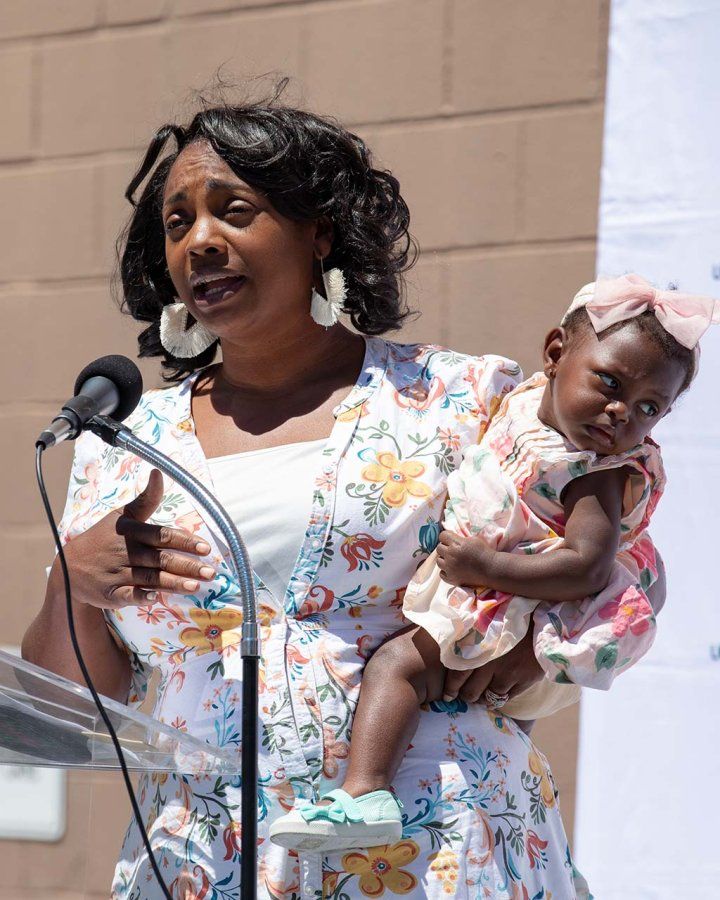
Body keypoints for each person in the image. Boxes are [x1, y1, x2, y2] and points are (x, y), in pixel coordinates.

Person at [21, 99, 664, 899]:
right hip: (200, 860)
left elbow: (629, 570)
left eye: (235, 210)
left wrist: (520, 657)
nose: (200, 241)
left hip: (434, 845)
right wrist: (72, 585)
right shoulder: (121, 443)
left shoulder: (461, 399)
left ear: (319, 230)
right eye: (178, 222)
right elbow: (66, 715)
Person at [271, 274, 715, 853]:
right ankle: (537, 836)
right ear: (555, 352)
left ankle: (365, 794)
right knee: (508, 743)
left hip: (529, 608)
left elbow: (586, 569)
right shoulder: (528, 410)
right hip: (517, 602)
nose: (620, 413)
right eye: (608, 382)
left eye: (649, 407)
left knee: (398, 666)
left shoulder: (595, 472)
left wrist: (484, 567)